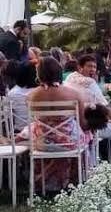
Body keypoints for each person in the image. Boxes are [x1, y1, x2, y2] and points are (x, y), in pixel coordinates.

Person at [27, 57, 90, 191]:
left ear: (39, 74)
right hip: (69, 144)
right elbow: (84, 125)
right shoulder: (74, 94)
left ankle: (47, 184)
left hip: (41, 144)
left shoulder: (31, 96)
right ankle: (80, 178)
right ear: (59, 72)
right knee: (89, 134)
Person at [65, 54, 111, 160]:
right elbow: (107, 106)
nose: (93, 69)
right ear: (80, 67)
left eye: (94, 67)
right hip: (90, 125)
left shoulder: (69, 78)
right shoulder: (94, 81)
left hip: (72, 126)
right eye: (89, 66)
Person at [6, 62, 38, 131]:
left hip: (19, 131)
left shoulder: (12, 93)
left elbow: (8, 116)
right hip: (39, 132)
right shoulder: (41, 92)